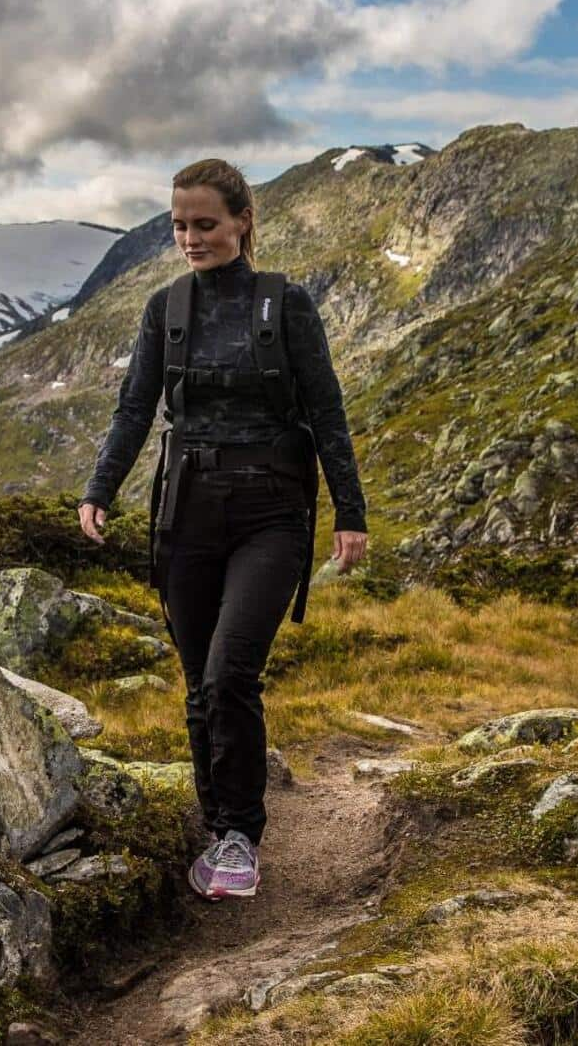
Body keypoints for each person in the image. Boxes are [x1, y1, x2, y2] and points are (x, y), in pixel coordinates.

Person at [76, 158, 368, 900]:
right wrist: (100, 489)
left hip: (272, 512)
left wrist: (350, 513)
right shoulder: (165, 309)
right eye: (179, 225)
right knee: (197, 684)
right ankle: (217, 826)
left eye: (205, 223)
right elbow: (134, 410)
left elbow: (327, 411)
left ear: (241, 221)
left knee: (229, 670)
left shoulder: (286, 305)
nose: (190, 238)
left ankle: (240, 833)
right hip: (186, 511)